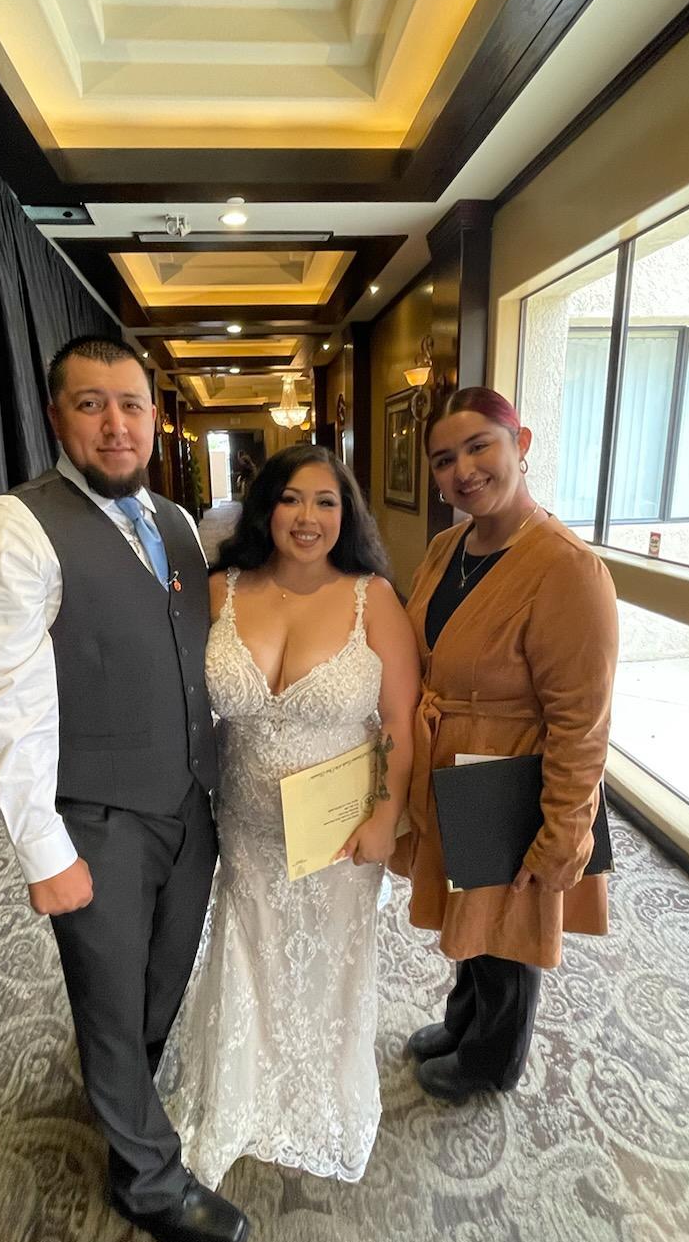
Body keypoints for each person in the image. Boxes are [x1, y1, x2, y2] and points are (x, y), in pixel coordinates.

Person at [0, 336, 248, 1242]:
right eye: (91, 404)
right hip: (98, 816)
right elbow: (5, 702)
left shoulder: (179, 522)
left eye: (131, 405)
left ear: (155, 418)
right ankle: (146, 1178)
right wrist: (43, 850)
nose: (116, 425)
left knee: (163, 979)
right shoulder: (13, 527)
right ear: (56, 416)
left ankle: (126, 1095)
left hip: (189, 802)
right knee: (110, 1000)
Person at [158, 446, 419, 1186]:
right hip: (244, 824)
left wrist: (386, 815)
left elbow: (401, 721)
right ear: (265, 507)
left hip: (339, 827)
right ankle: (240, 1092)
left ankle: (318, 1091)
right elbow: (175, 697)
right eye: (292, 499)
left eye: (326, 502)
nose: (308, 517)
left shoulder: (374, 599)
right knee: (249, 947)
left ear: (346, 514)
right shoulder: (220, 591)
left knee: (331, 959)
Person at [395, 387, 618, 1101]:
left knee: (508, 927)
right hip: (456, 766)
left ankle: (492, 1061)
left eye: (479, 447)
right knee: (473, 917)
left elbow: (583, 721)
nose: (462, 470)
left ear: (520, 444)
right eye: (443, 460)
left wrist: (564, 830)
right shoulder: (448, 547)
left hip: (514, 771)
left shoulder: (567, 569)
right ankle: (463, 1022)